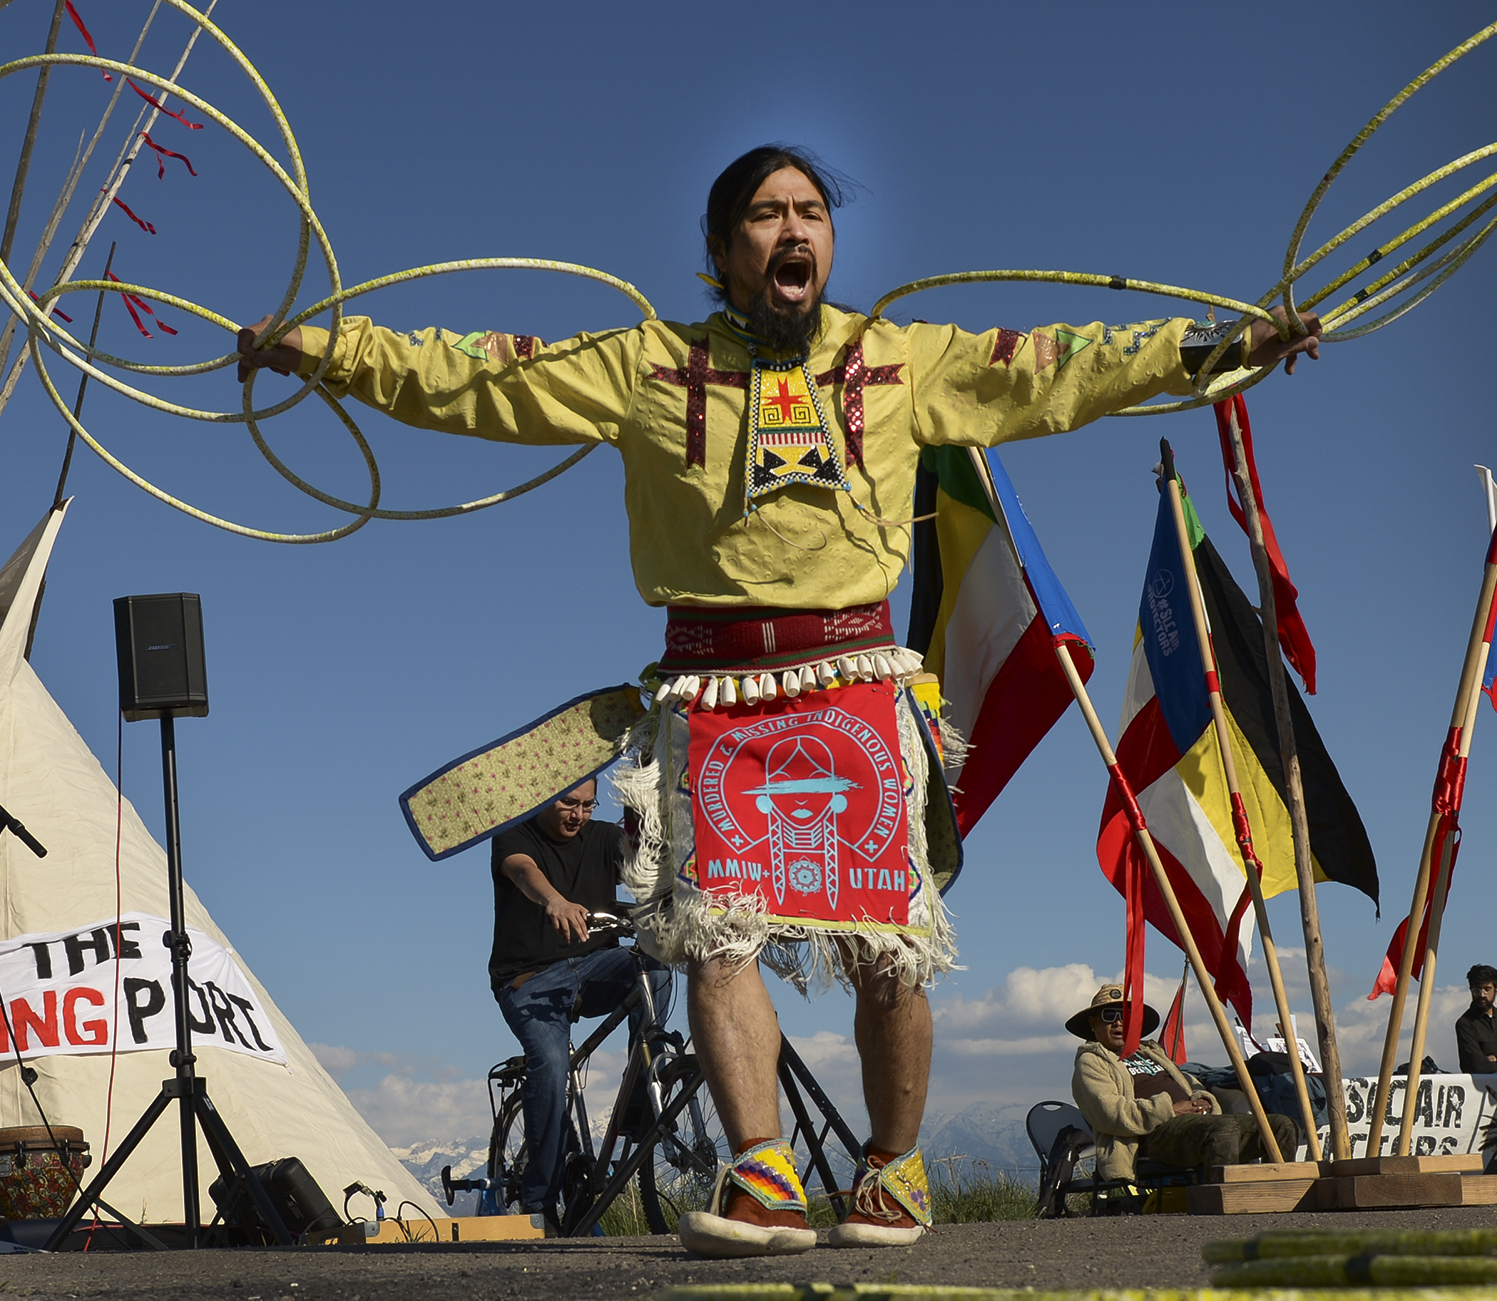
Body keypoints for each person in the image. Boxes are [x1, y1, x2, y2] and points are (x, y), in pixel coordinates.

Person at [240, 145, 1320, 1256]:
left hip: (855, 678)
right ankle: (761, 1172)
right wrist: (321, 349)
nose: (794, 229)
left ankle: (893, 1171)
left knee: (890, 946)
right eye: (766, 213)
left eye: (812, 212)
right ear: (720, 250)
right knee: (714, 937)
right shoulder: (645, 364)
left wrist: (1226, 345)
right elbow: (475, 374)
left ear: (831, 242)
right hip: (709, 689)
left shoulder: (901, 356)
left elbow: (1058, 364)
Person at [490, 780, 669, 1226]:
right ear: (543, 798)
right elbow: (523, 872)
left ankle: (641, 1090)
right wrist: (554, 900)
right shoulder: (514, 836)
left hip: (595, 967)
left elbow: (648, 862)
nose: (579, 815)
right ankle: (537, 1204)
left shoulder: (606, 837)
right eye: (569, 803)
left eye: (588, 805)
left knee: (657, 966)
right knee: (550, 1069)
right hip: (531, 981)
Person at [1066, 982, 1301, 1209]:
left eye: (1126, 1016)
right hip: (1150, 1136)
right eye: (1109, 1016)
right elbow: (1112, 1114)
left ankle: (1276, 1198)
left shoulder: (1151, 1053)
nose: (1118, 1022)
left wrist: (1203, 1100)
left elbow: (1192, 1084)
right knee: (1223, 1130)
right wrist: (1172, 1109)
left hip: (1195, 1123)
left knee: (1282, 1125)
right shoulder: (1091, 1062)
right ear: (1093, 1024)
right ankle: (1222, 1207)